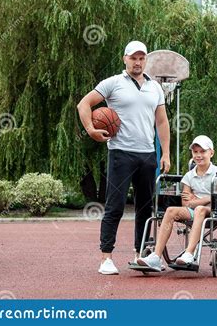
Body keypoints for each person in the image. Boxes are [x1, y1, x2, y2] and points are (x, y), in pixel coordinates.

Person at [77, 40, 170, 275]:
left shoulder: (155, 88)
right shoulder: (113, 83)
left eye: (141, 58)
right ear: (125, 59)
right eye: (133, 58)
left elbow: (162, 121)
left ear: (145, 60)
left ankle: (140, 254)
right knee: (115, 206)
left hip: (148, 155)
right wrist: (90, 129)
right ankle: (106, 258)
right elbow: (84, 104)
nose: (137, 62)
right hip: (120, 153)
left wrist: (166, 153)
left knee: (145, 208)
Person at [137, 135, 217, 272]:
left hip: (215, 210)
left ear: (211, 153)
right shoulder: (188, 176)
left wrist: (200, 200)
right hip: (195, 210)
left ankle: (189, 253)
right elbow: (186, 204)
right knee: (170, 211)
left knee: (200, 209)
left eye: (202, 151)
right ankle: (156, 257)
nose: (198, 155)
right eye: (195, 152)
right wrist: (204, 199)